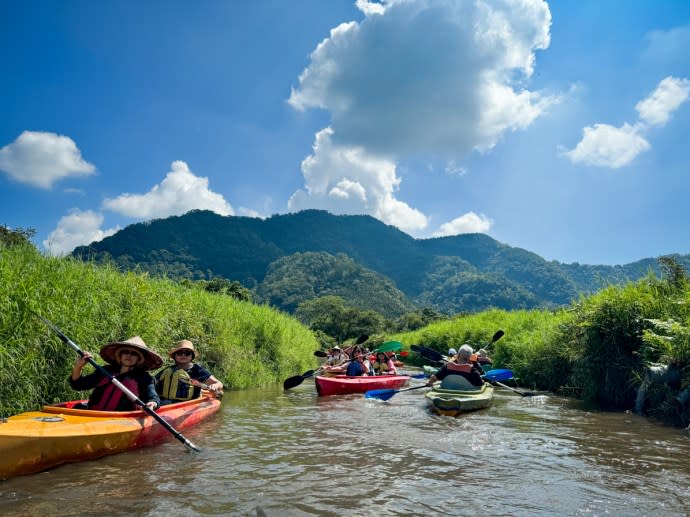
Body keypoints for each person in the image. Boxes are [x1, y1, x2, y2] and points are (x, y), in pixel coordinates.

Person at [70, 336, 162, 411]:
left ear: (139, 359)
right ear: (120, 355)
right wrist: (78, 367)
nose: (128, 355)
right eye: (126, 352)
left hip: (121, 420)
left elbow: (154, 398)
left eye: (134, 354)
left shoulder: (144, 378)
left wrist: (152, 404)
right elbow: (78, 385)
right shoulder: (106, 371)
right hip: (94, 415)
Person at [155, 339, 223, 404]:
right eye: (179, 353)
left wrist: (214, 386)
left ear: (192, 356)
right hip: (165, 403)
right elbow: (153, 381)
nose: (183, 355)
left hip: (187, 404)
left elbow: (219, 383)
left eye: (187, 353)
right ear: (174, 356)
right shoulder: (169, 370)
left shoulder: (197, 370)